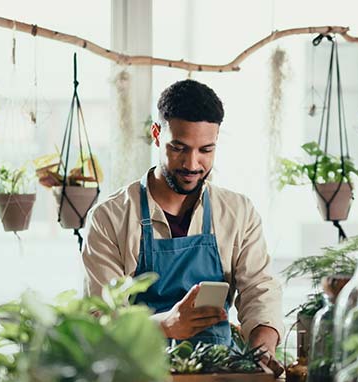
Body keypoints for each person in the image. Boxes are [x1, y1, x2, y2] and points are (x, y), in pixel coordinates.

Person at [81, 79, 283, 359]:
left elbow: (260, 292)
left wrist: (262, 351)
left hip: (219, 372)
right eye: (178, 148)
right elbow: (100, 318)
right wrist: (164, 325)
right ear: (156, 134)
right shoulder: (109, 218)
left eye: (205, 150)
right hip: (136, 375)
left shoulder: (238, 212)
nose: (191, 164)